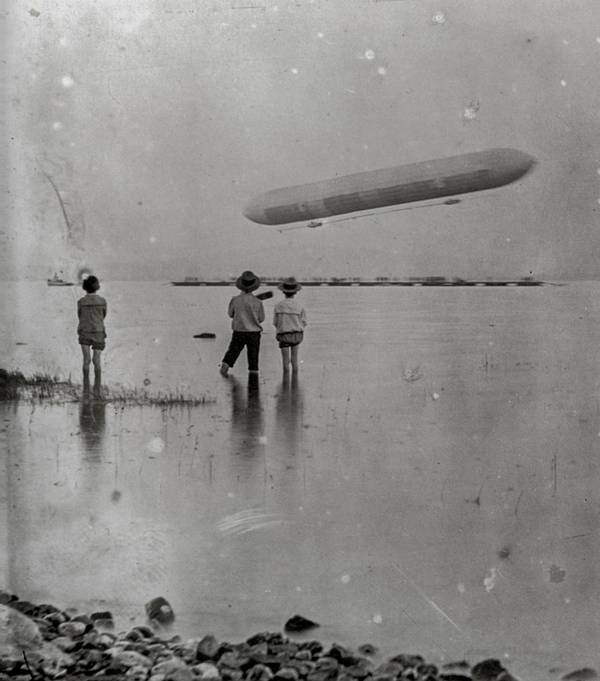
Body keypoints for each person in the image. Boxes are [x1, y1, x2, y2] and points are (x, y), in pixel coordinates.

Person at [220, 270, 265, 377]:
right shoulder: (258, 301)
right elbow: (261, 318)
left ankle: (222, 375)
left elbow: (231, 314)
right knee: (253, 361)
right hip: (254, 333)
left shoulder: (235, 300)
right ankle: (253, 388)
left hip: (238, 331)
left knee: (230, 355)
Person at [77, 275, 107, 397]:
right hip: (98, 332)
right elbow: (103, 315)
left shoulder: (81, 302)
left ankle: (85, 389)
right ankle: (97, 390)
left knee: (86, 360)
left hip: (84, 331)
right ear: (97, 287)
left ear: (85, 288)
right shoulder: (102, 301)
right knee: (97, 361)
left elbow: (79, 315)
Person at [273, 277, 306, 374]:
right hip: (297, 335)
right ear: (295, 292)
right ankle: (295, 385)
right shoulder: (299, 306)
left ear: (283, 292)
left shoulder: (278, 306)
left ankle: (286, 385)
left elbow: (275, 323)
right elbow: (304, 322)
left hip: (283, 335)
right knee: (295, 361)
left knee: (285, 362)